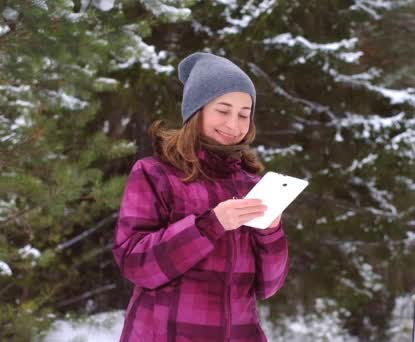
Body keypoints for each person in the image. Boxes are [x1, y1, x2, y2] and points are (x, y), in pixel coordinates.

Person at [112, 52, 289, 342]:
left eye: (244, 114)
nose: (234, 124)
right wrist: (211, 224)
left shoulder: (251, 184)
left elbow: (268, 286)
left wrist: (271, 232)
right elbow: (136, 263)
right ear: (197, 111)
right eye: (223, 110)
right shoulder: (155, 174)